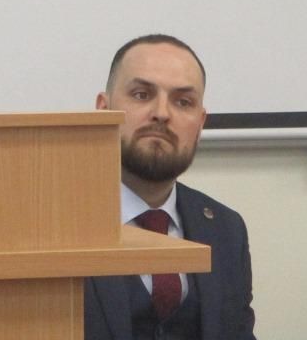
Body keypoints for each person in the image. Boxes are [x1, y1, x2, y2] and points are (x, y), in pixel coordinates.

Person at [86, 34, 256, 340]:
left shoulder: (227, 230)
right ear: (103, 109)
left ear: (200, 123)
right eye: (141, 95)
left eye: (183, 102)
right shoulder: (52, 227)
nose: (162, 113)